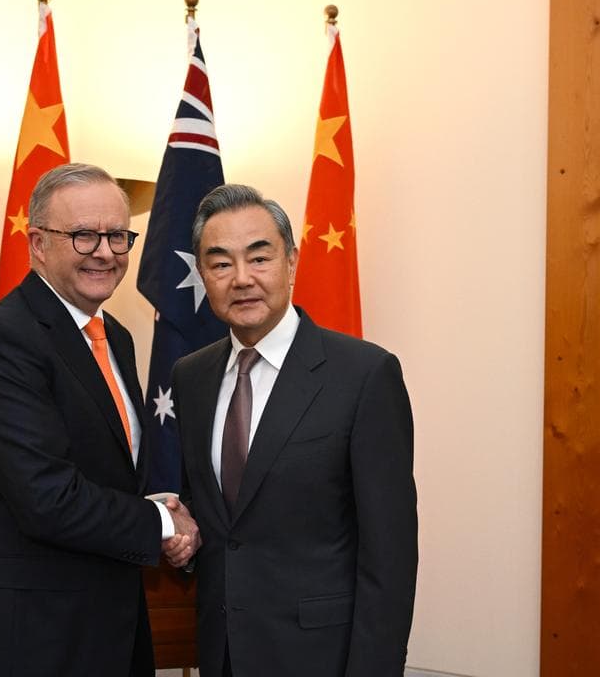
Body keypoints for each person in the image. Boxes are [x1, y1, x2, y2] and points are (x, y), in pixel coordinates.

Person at [0, 163, 200, 677]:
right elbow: (46, 498)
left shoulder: (115, 337)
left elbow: (103, 469)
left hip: (110, 624)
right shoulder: (2, 338)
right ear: (38, 243)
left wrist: (152, 504)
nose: (105, 251)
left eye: (118, 236)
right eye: (83, 235)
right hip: (31, 638)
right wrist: (162, 522)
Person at [172, 184, 418, 676]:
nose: (241, 279)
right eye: (221, 263)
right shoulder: (191, 376)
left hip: (321, 658)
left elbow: (389, 554)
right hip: (221, 654)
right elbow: (222, 519)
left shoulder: (364, 375)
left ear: (292, 262)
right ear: (202, 275)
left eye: (259, 258)